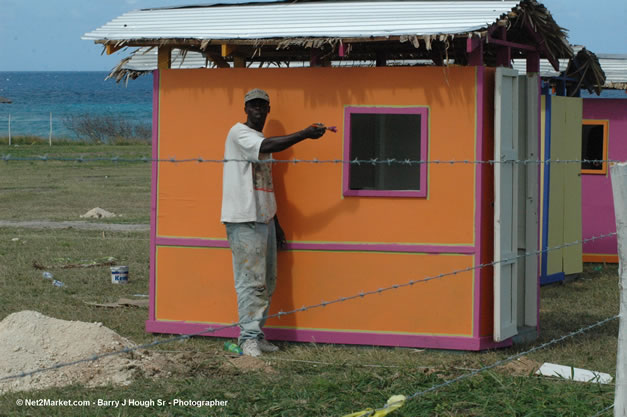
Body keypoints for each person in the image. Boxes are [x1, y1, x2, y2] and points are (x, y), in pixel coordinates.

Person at [221, 88, 327, 357]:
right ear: (245, 109)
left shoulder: (258, 138)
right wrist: (304, 134)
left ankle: (257, 334)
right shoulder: (240, 134)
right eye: (253, 105)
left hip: (263, 219)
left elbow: (265, 186)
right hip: (244, 219)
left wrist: (275, 222)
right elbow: (267, 147)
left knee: (267, 280)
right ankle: (248, 339)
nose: (257, 109)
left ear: (268, 110)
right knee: (251, 281)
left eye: (262, 105)